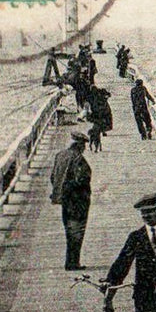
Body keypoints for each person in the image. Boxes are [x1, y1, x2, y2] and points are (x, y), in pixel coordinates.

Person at [50, 131, 92, 270]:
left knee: (69, 231)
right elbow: (81, 180)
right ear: (80, 145)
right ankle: (73, 263)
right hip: (77, 201)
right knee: (77, 232)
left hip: (64, 200)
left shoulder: (60, 155)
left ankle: (71, 261)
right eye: (84, 146)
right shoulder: (78, 158)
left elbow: (52, 177)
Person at [128, 69, 156, 139]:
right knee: (147, 120)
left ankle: (143, 134)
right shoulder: (143, 89)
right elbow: (148, 96)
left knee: (139, 122)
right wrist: (153, 101)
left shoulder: (133, 90)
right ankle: (148, 130)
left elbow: (132, 100)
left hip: (136, 108)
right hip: (143, 107)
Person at [86, 84, 113, 151]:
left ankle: (101, 132)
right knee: (104, 121)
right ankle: (102, 131)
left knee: (101, 121)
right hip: (101, 110)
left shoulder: (93, 94)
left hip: (99, 111)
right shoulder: (98, 93)